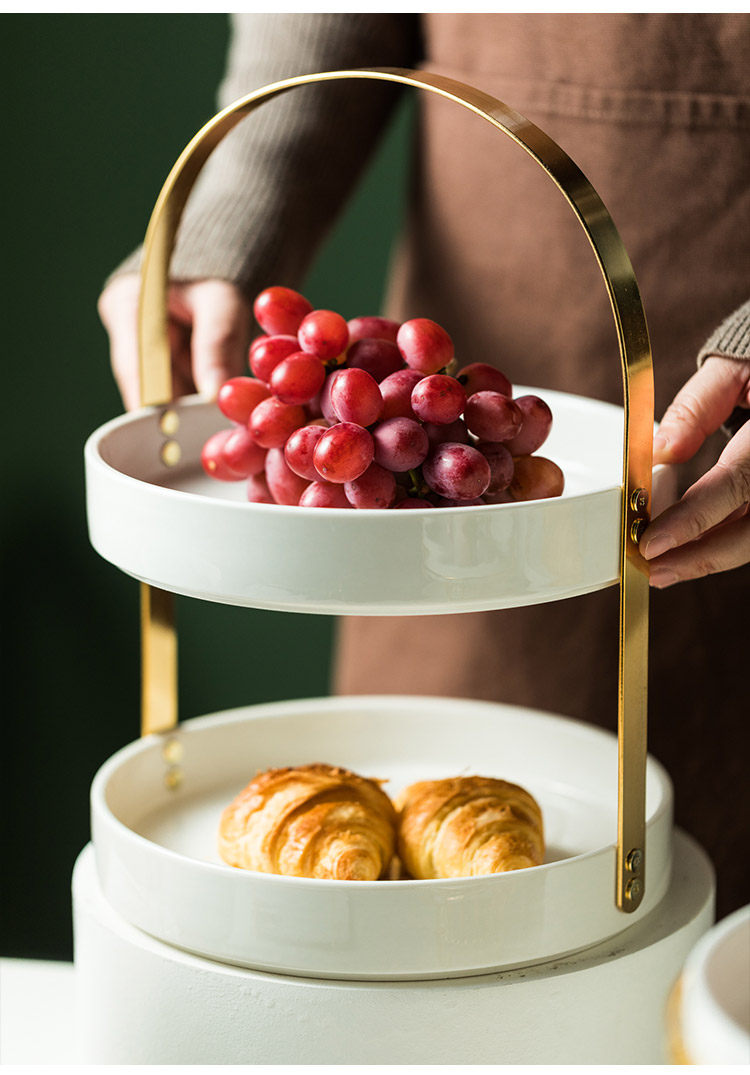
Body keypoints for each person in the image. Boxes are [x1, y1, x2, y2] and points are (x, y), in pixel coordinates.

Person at [99, 14, 750, 916]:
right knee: (411, 915)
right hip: (438, 438)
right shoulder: (373, 432)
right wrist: (233, 214)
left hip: (697, 360)